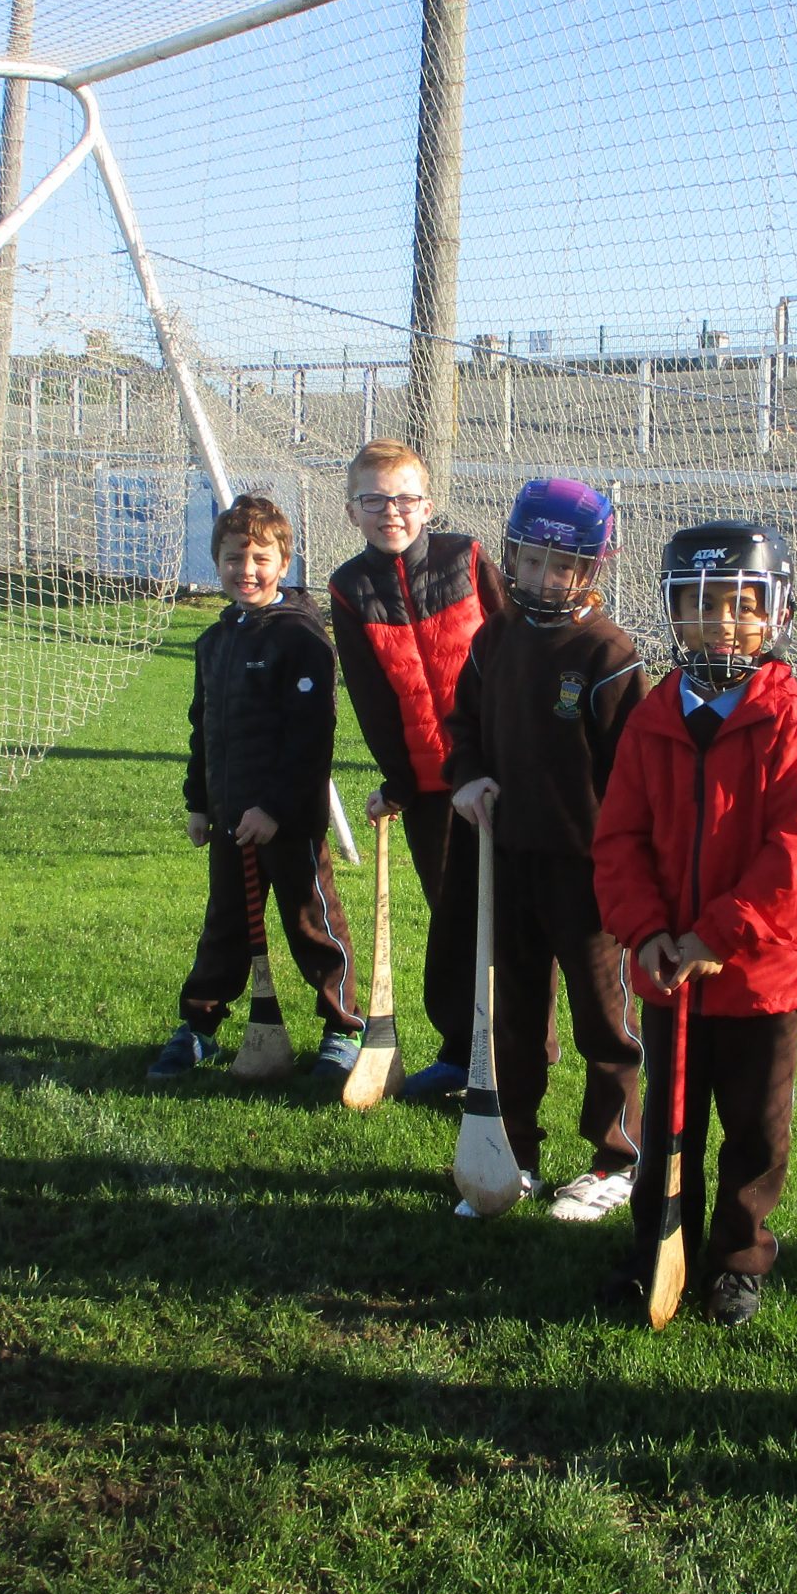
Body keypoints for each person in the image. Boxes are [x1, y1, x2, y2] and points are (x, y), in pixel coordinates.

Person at [592, 521, 797, 1326]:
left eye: (743, 606)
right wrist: (647, 932)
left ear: (777, 613)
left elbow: (796, 854)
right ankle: (658, 1247)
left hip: (760, 978)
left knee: (755, 1134)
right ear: (674, 612)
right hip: (669, 972)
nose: (722, 623)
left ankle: (738, 1257)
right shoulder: (653, 716)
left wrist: (717, 936)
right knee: (671, 1126)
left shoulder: (791, 719)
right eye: (700, 604)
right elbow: (618, 839)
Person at [445, 478, 648, 1222]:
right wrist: (467, 777)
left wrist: (624, 866)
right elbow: (463, 727)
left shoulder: (608, 653)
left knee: (604, 1020)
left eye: (562, 566)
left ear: (591, 569)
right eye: (530, 561)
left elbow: (635, 774)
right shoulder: (494, 636)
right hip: (507, 861)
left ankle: (616, 1159)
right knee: (514, 1017)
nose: (542, 578)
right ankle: (515, 1152)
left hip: (587, 876)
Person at [150, 494, 363, 1083]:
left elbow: (310, 738)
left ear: (283, 563)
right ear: (216, 562)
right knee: (225, 925)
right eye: (233, 558)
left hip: (287, 823)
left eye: (260, 558)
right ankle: (199, 1027)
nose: (246, 569)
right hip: (229, 819)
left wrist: (273, 808)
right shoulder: (214, 642)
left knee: (312, 924)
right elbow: (204, 728)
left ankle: (343, 1028)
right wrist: (200, 804)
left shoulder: (301, 637)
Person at [326, 439, 507, 1101]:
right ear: (352, 510)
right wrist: (400, 783)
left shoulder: (468, 558)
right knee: (453, 922)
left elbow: (516, 647)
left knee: (512, 922)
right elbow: (371, 698)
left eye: (404, 499)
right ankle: (462, 1054)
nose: (390, 513)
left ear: (428, 505)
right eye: (373, 500)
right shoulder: (349, 589)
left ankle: (515, 1059)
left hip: (501, 777)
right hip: (434, 795)